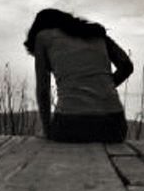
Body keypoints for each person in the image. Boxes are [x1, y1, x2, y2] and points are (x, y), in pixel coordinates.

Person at [24, 8, 134, 142]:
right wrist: (105, 86)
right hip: (114, 127)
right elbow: (126, 66)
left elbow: (43, 89)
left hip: (70, 125)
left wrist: (47, 130)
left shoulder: (43, 37)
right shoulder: (96, 34)